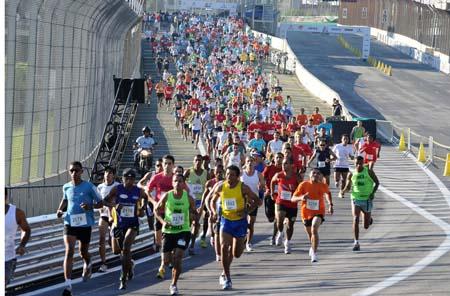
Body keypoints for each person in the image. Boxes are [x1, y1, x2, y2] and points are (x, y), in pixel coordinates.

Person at [56, 161, 103, 296]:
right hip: (69, 222)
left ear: (82, 171)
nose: (74, 173)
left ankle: (88, 261)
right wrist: (60, 210)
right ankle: (68, 285)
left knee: (83, 252)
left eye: (76, 170)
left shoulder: (89, 187)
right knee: (69, 250)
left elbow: (100, 202)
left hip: (84, 224)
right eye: (71, 171)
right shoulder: (66, 187)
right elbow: (65, 200)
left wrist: (90, 207)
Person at [210, 165, 261, 290]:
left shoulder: (243, 187)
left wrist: (247, 211)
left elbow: (258, 201)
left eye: (232, 175)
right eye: (227, 174)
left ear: (237, 176)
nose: (229, 177)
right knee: (223, 247)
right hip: (226, 221)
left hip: (240, 223)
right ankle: (227, 277)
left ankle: (241, 243)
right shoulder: (221, 186)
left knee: (236, 253)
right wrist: (214, 212)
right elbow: (212, 200)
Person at [154, 174, 196, 295]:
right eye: (175, 181)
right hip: (169, 232)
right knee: (166, 261)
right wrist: (163, 222)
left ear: (183, 183)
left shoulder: (188, 198)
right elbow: (156, 210)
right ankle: (169, 261)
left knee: (178, 258)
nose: (177, 183)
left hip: (183, 231)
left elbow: (194, 211)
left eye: (180, 181)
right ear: (172, 183)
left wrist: (193, 217)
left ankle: (174, 284)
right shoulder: (167, 195)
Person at [105, 168, 147, 290]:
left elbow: (146, 198)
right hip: (119, 224)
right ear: (122, 178)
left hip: (133, 224)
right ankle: (130, 264)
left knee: (126, 246)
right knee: (117, 251)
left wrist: (143, 207)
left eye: (131, 179)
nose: (129, 181)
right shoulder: (117, 189)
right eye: (126, 178)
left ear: (134, 180)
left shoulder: (138, 191)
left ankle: (123, 278)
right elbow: (105, 201)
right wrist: (115, 206)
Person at [292, 168, 333, 263]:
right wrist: (301, 197)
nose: (316, 174)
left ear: (320, 176)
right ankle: (312, 246)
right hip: (306, 213)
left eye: (318, 173)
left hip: (319, 211)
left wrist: (330, 205)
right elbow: (293, 198)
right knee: (311, 234)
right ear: (310, 175)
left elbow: (328, 193)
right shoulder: (303, 185)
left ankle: (314, 253)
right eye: (314, 173)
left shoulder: (323, 185)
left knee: (314, 228)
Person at [342, 156, 380, 251]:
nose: (358, 165)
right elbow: (348, 187)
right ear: (354, 163)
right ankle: (356, 243)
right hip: (356, 198)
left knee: (366, 226)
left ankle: (368, 217)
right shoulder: (351, 174)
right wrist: (342, 191)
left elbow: (377, 183)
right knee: (355, 218)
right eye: (356, 163)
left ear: (363, 163)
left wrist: (372, 193)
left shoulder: (369, 172)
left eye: (360, 163)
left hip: (367, 199)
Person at [271, 157, 299, 254]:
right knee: (280, 219)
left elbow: (300, 188)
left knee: (290, 225)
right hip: (281, 201)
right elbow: (272, 182)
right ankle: (280, 232)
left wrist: (299, 197)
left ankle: (287, 242)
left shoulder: (296, 177)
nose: (283, 165)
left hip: (292, 204)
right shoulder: (279, 175)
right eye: (283, 163)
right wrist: (272, 192)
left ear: (292, 165)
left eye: (286, 163)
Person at [184, 155, 210, 254]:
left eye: (199, 160)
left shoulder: (206, 173)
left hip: (202, 200)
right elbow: (182, 183)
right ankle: (187, 240)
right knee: (190, 222)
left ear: (202, 162)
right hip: (191, 201)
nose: (198, 162)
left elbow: (209, 186)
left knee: (197, 221)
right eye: (196, 160)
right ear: (193, 161)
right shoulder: (188, 172)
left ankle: (192, 244)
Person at [5, 188, 31, 286]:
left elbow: (26, 230)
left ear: (5, 197)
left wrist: (22, 245)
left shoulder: (17, 213)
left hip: (7, 258)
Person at [97, 166, 120, 273]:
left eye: (110, 173)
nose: (107, 174)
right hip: (104, 216)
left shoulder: (118, 186)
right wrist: (100, 210)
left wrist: (113, 206)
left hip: (115, 217)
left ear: (113, 175)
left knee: (114, 241)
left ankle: (125, 257)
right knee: (101, 239)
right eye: (106, 172)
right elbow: (98, 202)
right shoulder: (100, 187)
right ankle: (103, 263)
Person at [240, 156, 265, 252]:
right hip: (243, 201)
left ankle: (248, 243)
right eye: (248, 161)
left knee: (251, 223)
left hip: (254, 202)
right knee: (242, 223)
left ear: (255, 163)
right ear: (245, 163)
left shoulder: (258, 174)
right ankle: (241, 240)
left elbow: (262, 188)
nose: (250, 163)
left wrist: (261, 198)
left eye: (251, 161)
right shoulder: (241, 174)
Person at [262, 152, 283, 245]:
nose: (279, 159)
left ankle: (274, 236)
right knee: (270, 217)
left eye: (280, 157)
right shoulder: (269, 168)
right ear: (274, 159)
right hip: (269, 194)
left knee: (276, 217)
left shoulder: (284, 169)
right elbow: (262, 177)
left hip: (280, 196)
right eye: (277, 157)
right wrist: (265, 187)